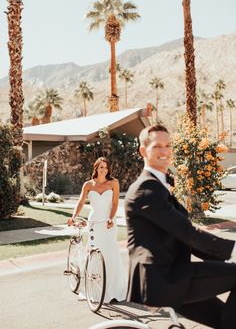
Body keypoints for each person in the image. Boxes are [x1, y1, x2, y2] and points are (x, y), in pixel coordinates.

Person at [125, 123, 236, 329]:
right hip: (164, 279)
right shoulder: (145, 188)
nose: (165, 151)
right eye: (157, 146)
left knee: (225, 321)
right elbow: (187, 232)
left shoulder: (160, 186)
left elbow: (185, 238)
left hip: (173, 277)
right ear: (143, 150)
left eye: (168, 146)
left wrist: (224, 258)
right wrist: (233, 250)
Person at [68, 156, 127, 301]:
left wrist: (110, 218)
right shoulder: (88, 184)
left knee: (110, 252)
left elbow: (114, 203)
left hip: (109, 222)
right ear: (96, 168)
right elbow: (81, 202)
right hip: (94, 222)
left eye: (106, 167)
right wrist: (74, 216)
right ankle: (94, 286)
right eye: (101, 167)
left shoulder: (114, 182)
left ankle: (113, 289)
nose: (104, 170)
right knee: (94, 252)